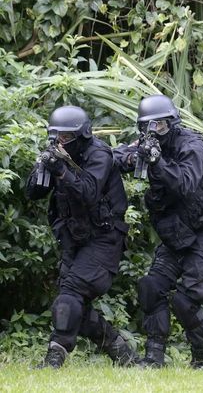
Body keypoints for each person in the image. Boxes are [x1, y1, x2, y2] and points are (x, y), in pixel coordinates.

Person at [114, 95, 203, 368]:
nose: (155, 132)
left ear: (172, 123)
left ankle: (202, 361)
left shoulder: (194, 146)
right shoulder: (149, 145)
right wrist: (131, 156)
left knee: (186, 301)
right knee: (151, 287)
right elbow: (117, 157)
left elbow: (184, 184)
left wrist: (156, 161)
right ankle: (153, 359)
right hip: (179, 231)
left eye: (160, 126)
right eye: (149, 127)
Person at [26, 105, 137, 368]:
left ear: (82, 135)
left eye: (65, 138)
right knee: (75, 305)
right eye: (56, 137)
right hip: (74, 239)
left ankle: (54, 358)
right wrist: (44, 167)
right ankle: (121, 352)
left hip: (104, 239)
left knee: (70, 295)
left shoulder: (99, 154)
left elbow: (88, 192)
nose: (60, 142)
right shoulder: (58, 153)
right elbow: (33, 194)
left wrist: (62, 170)